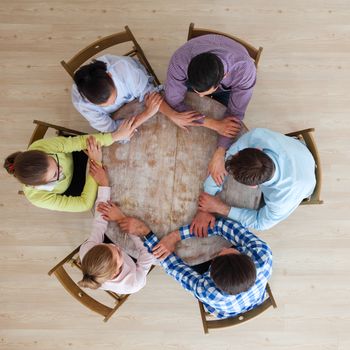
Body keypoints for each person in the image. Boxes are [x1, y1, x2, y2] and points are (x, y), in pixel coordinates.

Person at [99, 206, 272, 319]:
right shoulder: (263, 256)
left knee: (192, 262)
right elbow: (223, 226)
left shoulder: (208, 291)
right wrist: (175, 236)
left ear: (210, 273)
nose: (222, 249)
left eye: (218, 255)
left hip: (225, 308)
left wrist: (145, 231)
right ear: (245, 257)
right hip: (253, 295)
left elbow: (174, 266)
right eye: (231, 250)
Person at [164, 34, 257, 178]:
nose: (201, 96)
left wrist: (220, 152)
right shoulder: (180, 59)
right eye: (197, 92)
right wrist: (212, 123)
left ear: (224, 76)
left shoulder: (245, 71)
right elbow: (174, 101)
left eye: (204, 93)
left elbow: (235, 115)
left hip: (230, 87)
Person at [3, 117, 142, 212]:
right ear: (38, 185)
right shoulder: (37, 198)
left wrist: (116, 136)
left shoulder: (39, 147)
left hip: (77, 155)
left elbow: (81, 142)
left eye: (55, 161)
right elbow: (84, 204)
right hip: (78, 185)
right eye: (56, 174)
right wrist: (96, 162)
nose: (61, 168)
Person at [190, 128, 316, 233]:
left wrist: (220, 208)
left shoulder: (281, 200)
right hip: (299, 151)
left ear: (253, 186)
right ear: (257, 149)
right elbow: (228, 158)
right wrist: (206, 203)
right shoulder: (258, 136)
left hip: (305, 183)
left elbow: (261, 223)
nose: (233, 153)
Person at [73, 54, 201, 133]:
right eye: (105, 105)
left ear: (110, 75)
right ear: (88, 100)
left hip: (135, 94)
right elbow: (111, 128)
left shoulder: (125, 70)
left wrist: (173, 115)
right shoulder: (82, 103)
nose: (113, 103)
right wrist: (147, 114)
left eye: (115, 97)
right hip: (126, 114)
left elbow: (149, 94)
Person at [78, 172, 155, 294]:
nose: (117, 246)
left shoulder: (87, 250)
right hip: (137, 259)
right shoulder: (134, 283)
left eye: (107, 245)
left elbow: (98, 224)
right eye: (119, 253)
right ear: (115, 272)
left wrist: (104, 185)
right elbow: (149, 253)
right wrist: (121, 219)